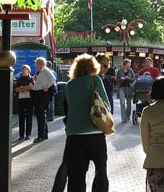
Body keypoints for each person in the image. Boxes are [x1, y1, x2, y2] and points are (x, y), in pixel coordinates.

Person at [65, 53, 110, 191]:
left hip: (74, 135)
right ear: (93, 67)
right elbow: (106, 104)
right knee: (100, 172)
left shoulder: (69, 85)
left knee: (76, 176)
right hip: (94, 133)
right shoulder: (95, 80)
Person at [32, 57, 55, 143]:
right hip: (39, 94)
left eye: (37, 63)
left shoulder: (45, 71)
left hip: (41, 95)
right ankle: (44, 134)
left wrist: (46, 87)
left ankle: (40, 136)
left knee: (40, 116)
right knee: (41, 116)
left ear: (40, 64)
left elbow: (52, 79)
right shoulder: (41, 72)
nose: (36, 65)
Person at [15, 64, 34, 140]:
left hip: (29, 100)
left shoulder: (31, 79)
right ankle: (21, 135)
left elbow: (31, 87)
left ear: (28, 70)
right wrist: (26, 88)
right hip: (21, 99)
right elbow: (16, 89)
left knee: (29, 118)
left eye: (25, 69)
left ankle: (28, 134)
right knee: (21, 118)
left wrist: (22, 87)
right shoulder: (19, 79)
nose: (23, 71)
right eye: (23, 69)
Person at [115, 58, 135, 123]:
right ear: (126, 64)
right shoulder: (120, 71)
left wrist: (129, 78)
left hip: (129, 88)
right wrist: (120, 79)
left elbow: (133, 79)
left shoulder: (131, 70)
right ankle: (123, 118)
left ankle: (127, 116)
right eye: (129, 63)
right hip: (121, 88)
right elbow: (116, 79)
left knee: (129, 103)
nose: (130, 65)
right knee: (122, 103)